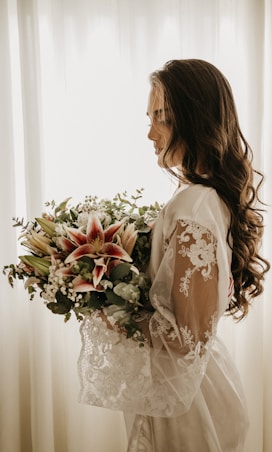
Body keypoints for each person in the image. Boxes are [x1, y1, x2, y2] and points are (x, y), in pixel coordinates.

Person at [78, 59, 270, 452]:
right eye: (149, 118)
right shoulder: (202, 198)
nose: (150, 133)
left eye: (162, 118)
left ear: (195, 118)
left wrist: (108, 310)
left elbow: (187, 337)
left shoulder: (195, 205)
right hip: (194, 385)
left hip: (189, 404)